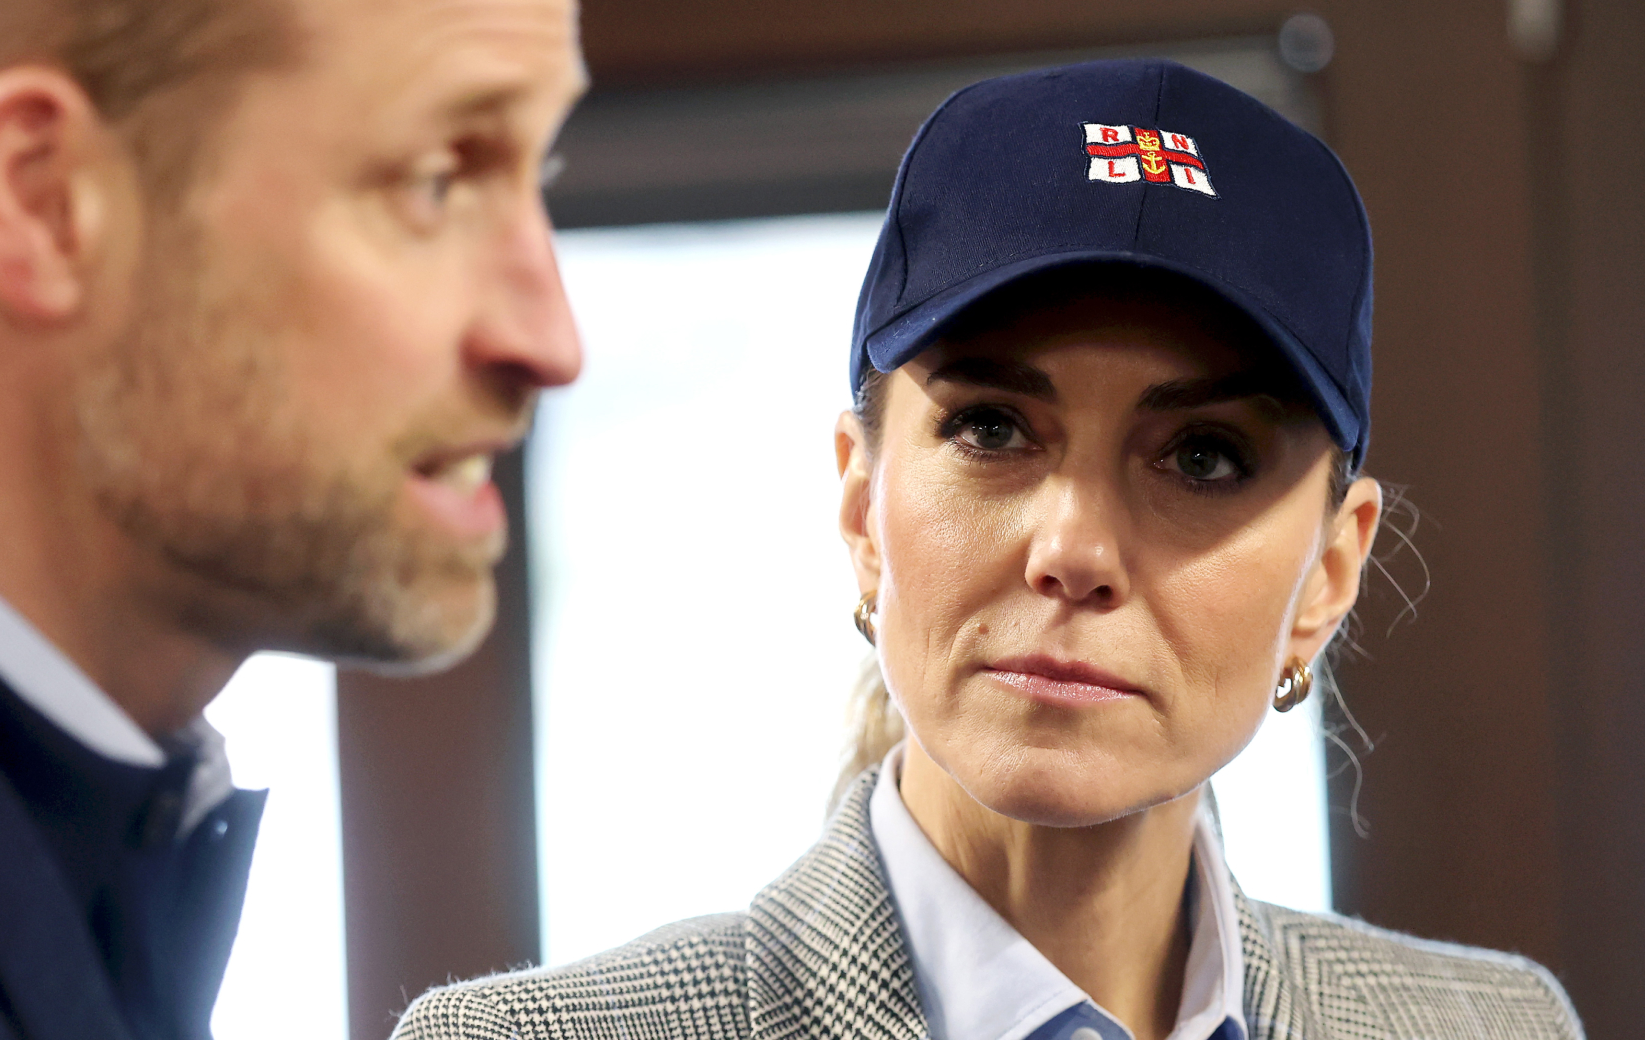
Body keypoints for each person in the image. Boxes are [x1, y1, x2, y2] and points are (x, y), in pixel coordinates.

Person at [392, 60, 1584, 1040]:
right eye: (993, 429)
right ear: (862, 507)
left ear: (1327, 576)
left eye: (1204, 455)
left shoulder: (1497, 1029)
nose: (1074, 548)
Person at [0, 0, 584, 1035]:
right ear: (45, 201)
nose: (551, 341)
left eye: (539, 170)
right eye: (437, 181)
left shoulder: (22, 842)